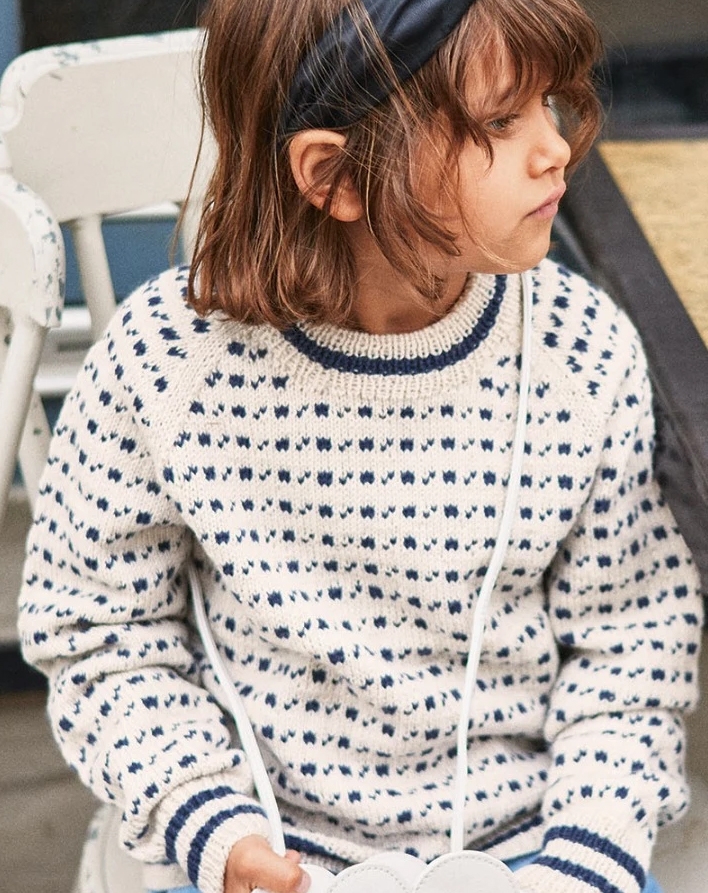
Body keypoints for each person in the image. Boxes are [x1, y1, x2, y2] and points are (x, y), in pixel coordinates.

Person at [17, 1, 703, 892]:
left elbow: (633, 644)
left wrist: (586, 852)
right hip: (264, 849)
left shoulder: (581, 353)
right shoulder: (166, 366)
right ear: (336, 176)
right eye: (501, 121)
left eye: (550, 102)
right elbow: (101, 631)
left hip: (532, 849)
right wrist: (208, 821)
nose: (555, 148)